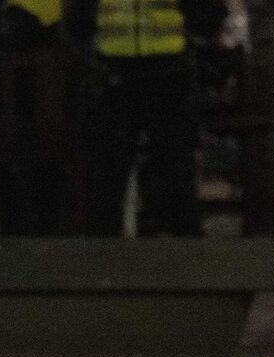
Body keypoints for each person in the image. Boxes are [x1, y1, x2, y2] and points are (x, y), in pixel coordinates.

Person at [73, 0, 226, 237]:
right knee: (110, 179)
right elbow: (78, 17)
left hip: (163, 74)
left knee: (173, 173)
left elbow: (209, 15)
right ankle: (104, 258)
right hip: (121, 74)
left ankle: (189, 254)